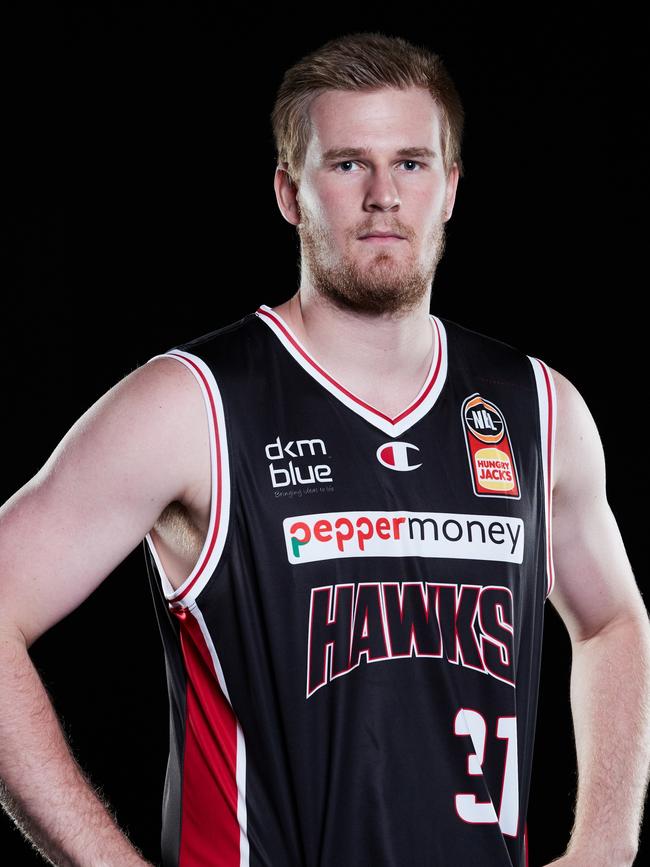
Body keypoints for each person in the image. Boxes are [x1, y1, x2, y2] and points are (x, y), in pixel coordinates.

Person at [1, 30, 649, 867]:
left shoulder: (538, 409)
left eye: (411, 163)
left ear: (450, 188)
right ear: (288, 192)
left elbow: (612, 622)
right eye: (347, 165)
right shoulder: (193, 404)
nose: (383, 196)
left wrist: (604, 843)